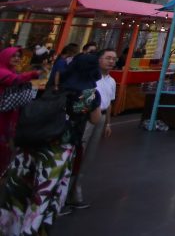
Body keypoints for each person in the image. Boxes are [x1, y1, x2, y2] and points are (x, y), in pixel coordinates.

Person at [1, 53, 101, 232]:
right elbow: (93, 118)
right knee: (45, 190)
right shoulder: (88, 92)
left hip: (32, 140)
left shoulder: (58, 83)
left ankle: (9, 226)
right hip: (58, 145)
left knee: (19, 185)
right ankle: (32, 228)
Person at [67, 48, 117, 209]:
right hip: (84, 120)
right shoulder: (89, 81)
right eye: (108, 58)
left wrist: (108, 122)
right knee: (76, 154)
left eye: (114, 59)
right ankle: (66, 191)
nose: (111, 61)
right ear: (98, 60)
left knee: (87, 156)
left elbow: (109, 103)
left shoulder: (111, 81)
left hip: (99, 118)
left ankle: (75, 190)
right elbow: (81, 108)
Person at [0, 48, 41, 173]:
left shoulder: (12, 71)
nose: (17, 58)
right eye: (13, 56)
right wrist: (32, 74)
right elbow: (14, 80)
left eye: (18, 56)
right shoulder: (2, 71)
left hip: (8, 114)